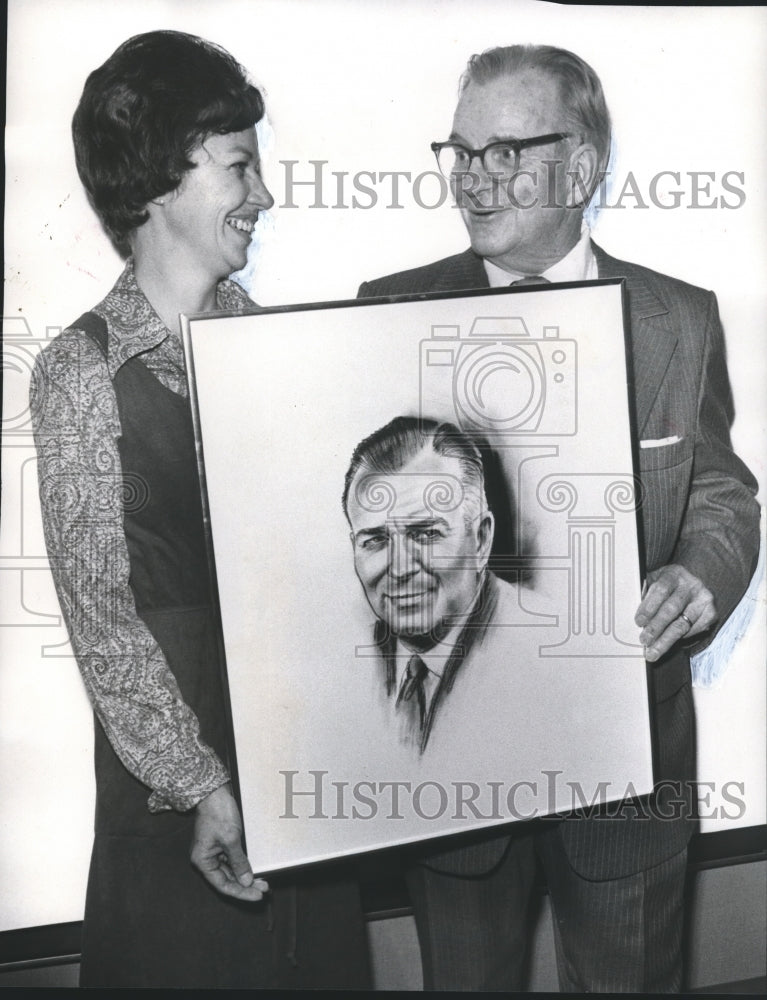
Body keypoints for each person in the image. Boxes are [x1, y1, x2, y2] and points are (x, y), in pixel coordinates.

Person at [357, 44, 760, 991]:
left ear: (579, 170)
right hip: (451, 787)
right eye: (459, 153)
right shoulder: (387, 313)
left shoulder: (678, 320)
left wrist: (701, 570)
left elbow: (720, 492)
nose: (472, 179)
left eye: (503, 153)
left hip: (628, 780)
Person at [30, 30, 369, 989]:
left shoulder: (270, 346)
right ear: (158, 180)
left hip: (305, 789)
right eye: (238, 168)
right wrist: (203, 788)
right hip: (175, 806)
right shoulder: (80, 372)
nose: (261, 196)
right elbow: (103, 622)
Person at [343, 415, 518, 753]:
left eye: (425, 534)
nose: (400, 569)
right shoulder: (345, 669)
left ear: (481, 540)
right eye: (375, 540)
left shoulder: (541, 655)